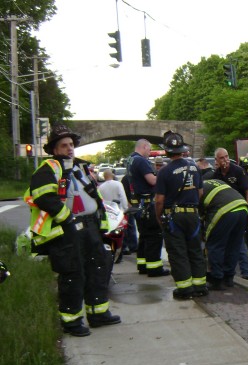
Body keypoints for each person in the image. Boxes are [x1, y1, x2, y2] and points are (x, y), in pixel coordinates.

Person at [24, 124, 120, 337]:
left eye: (71, 144)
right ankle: (71, 321)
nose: (69, 148)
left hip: (90, 227)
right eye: (64, 145)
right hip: (66, 232)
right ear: (54, 149)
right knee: (73, 275)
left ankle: (98, 313)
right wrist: (67, 219)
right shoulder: (48, 168)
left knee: (98, 269)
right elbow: (42, 196)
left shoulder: (80, 167)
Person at [154, 131, 208, 300]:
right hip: (193, 216)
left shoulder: (164, 171)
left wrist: (159, 217)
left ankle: (185, 289)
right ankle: (200, 286)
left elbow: (159, 201)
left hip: (174, 218)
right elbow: (200, 193)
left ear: (167, 151)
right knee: (195, 251)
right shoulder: (195, 167)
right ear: (182, 149)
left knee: (178, 253)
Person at [126, 139, 169, 277]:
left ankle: (143, 265)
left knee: (144, 236)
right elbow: (152, 180)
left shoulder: (130, 159)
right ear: (144, 147)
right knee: (154, 236)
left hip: (138, 204)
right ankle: (154, 268)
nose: (149, 153)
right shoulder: (141, 161)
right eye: (149, 150)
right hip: (148, 203)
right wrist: (162, 176)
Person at [200, 179, 248, 290]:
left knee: (215, 245)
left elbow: (200, 213)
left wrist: (203, 233)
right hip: (242, 207)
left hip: (224, 210)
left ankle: (216, 280)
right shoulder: (214, 182)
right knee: (233, 245)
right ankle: (228, 278)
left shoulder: (197, 187)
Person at [212, 147, 248, 280]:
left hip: (238, 211)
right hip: (223, 214)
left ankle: (246, 273)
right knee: (226, 244)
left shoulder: (238, 171)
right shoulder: (216, 174)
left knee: (239, 243)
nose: (226, 160)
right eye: (222, 158)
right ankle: (227, 271)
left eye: (227, 156)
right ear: (216, 160)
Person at [120, 172, 138, 255]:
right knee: (130, 226)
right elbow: (123, 193)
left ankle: (133, 245)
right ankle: (132, 246)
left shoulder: (136, 176)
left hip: (137, 204)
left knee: (132, 226)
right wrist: (127, 203)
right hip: (130, 205)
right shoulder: (126, 178)